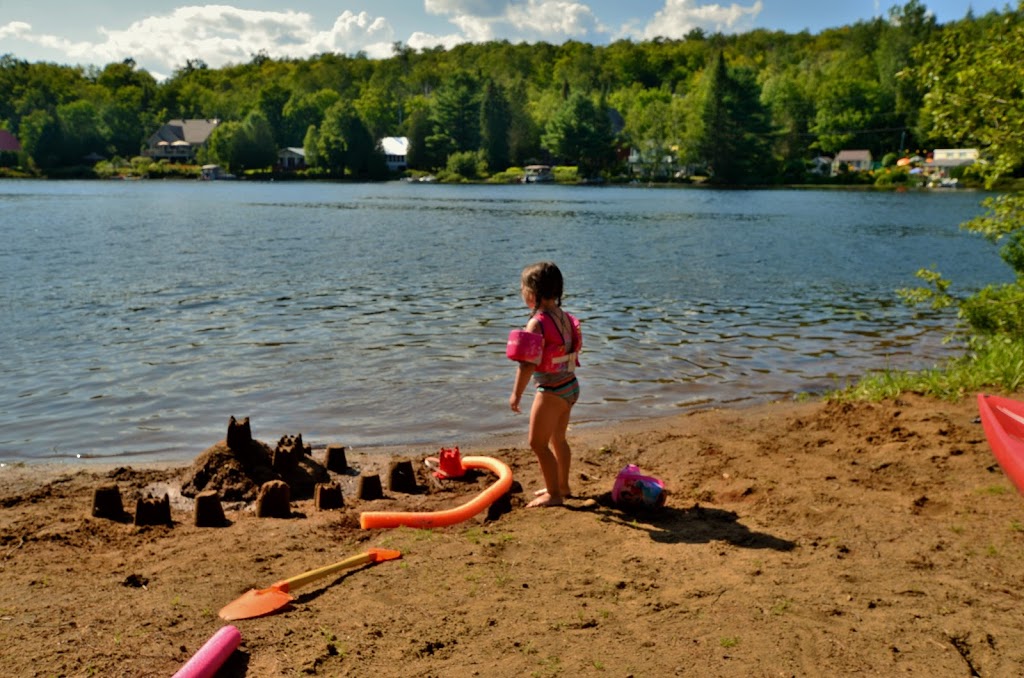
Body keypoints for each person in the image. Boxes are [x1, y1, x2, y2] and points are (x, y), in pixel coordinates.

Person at [508, 262, 582, 508]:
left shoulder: (537, 323)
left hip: (552, 391)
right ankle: (563, 486)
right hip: (570, 386)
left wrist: (516, 395)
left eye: (523, 288)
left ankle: (554, 494)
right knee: (558, 439)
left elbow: (527, 365)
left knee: (537, 443)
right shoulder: (565, 317)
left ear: (532, 294)